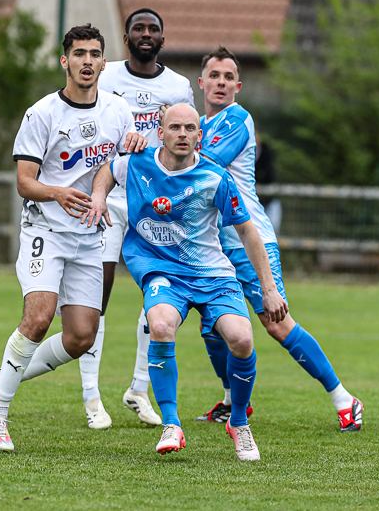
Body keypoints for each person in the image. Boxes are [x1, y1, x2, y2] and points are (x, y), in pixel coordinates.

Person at [85, 103, 287, 460]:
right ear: (160, 132)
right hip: (162, 270)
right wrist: (98, 196)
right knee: (161, 325)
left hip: (212, 273)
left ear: (200, 135)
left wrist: (269, 290)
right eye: (175, 127)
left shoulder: (215, 177)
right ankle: (171, 424)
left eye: (190, 128)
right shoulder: (138, 163)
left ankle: (239, 422)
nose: (182, 134)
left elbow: (248, 232)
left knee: (241, 339)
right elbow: (107, 171)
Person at [0, 24, 147, 452]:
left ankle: (0, 379)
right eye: (79, 54)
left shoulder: (118, 110)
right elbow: (24, 181)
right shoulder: (42, 113)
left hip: (89, 235)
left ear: (103, 63)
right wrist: (57, 193)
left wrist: (136, 143)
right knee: (38, 318)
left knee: (81, 337)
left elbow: (116, 166)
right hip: (46, 230)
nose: (86, 61)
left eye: (94, 54)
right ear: (64, 61)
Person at [192, 46, 362, 429]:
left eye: (228, 77)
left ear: (238, 85)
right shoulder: (198, 126)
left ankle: (345, 398)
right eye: (214, 75)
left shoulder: (237, 119)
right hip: (213, 244)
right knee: (213, 329)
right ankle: (232, 400)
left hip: (249, 239)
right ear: (201, 82)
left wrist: (165, 150)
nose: (221, 82)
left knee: (277, 323)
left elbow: (203, 165)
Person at [83, 8, 195, 429]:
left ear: (163, 39)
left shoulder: (178, 86)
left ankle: (138, 388)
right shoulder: (107, 74)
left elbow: (186, 138)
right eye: (138, 29)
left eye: (153, 29)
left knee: (157, 295)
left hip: (154, 202)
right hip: (109, 195)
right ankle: (91, 397)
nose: (146, 34)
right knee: (97, 295)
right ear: (126, 37)